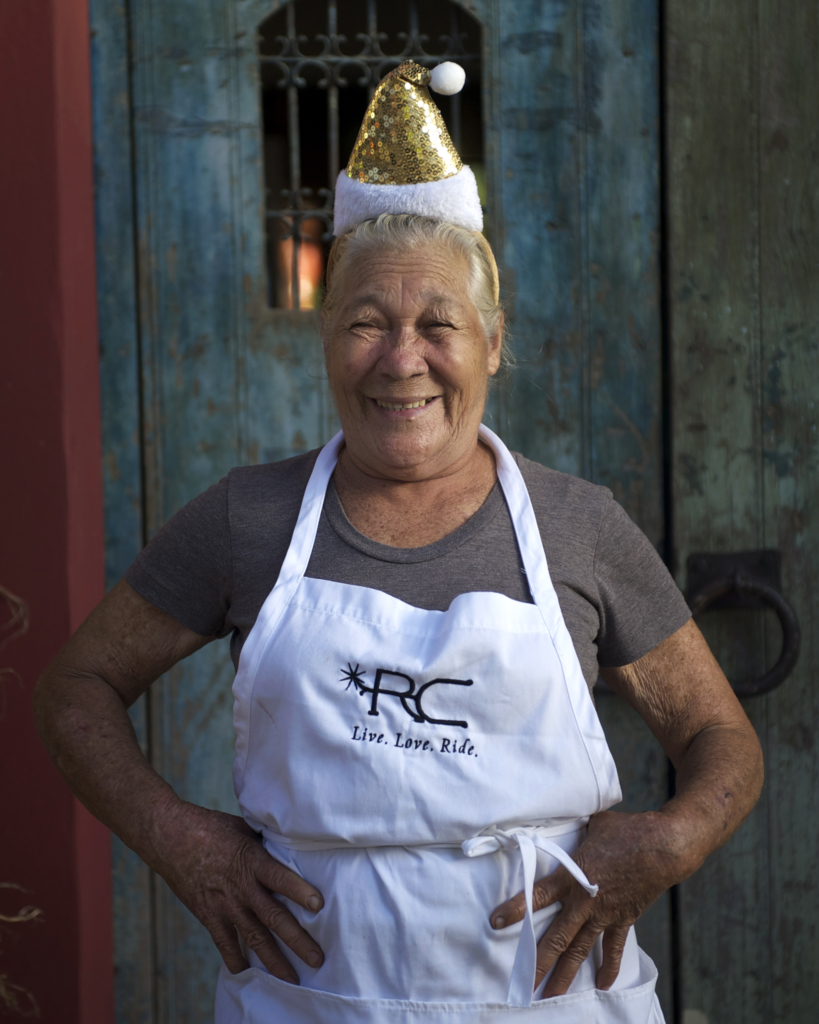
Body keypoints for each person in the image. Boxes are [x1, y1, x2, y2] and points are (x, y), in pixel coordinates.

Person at [34, 62, 762, 1023]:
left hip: (544, 1005)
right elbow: (72, 689)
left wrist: (666, 844)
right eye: (365, 322)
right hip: (310, 1002)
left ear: (492, 342)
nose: (400, 359)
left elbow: (723, 741)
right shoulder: (245, 518)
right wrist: (183, 841)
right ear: (326, 338)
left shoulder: (577, 526)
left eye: (438, 324)